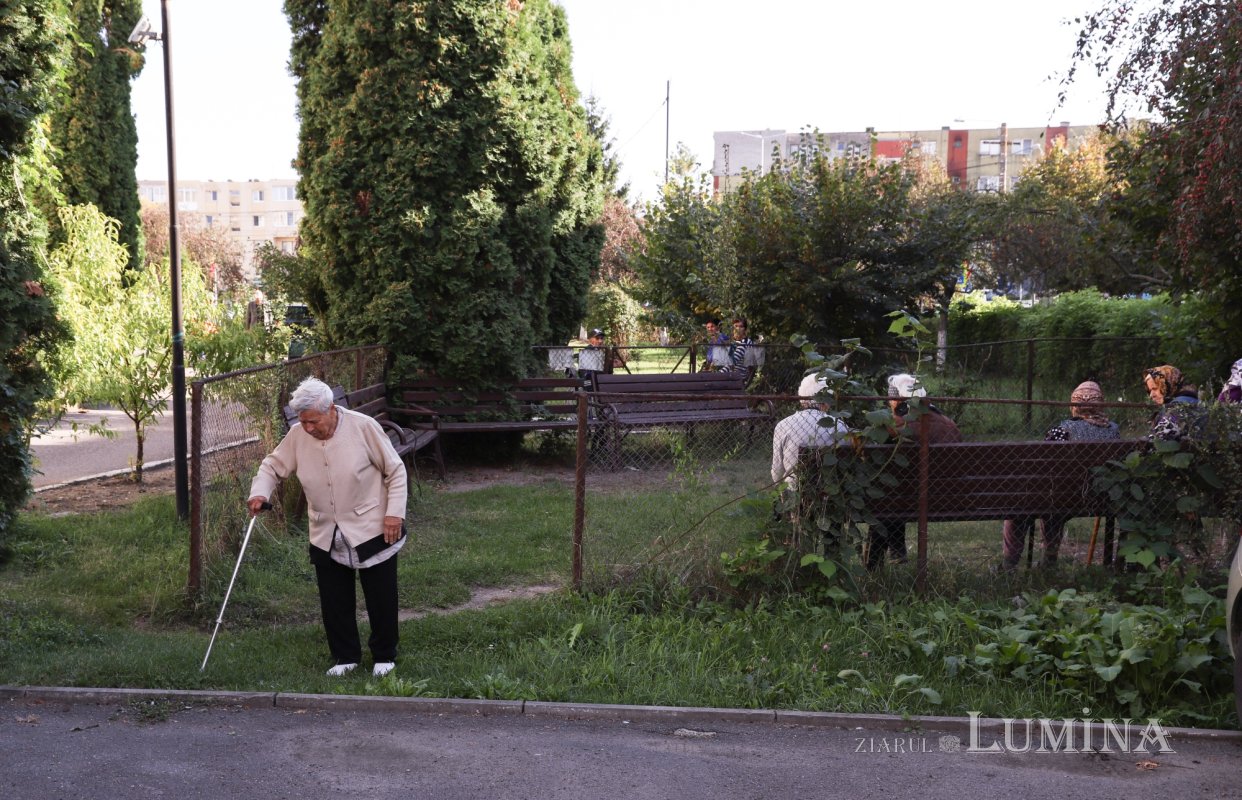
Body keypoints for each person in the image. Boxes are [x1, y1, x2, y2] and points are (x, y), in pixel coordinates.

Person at [247, 377, 408, 678]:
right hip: (325, 529)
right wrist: (260, 492)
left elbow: (395, 470)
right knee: (334, 596)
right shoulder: (298, 435)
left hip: (371, 523)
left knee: (380, 592)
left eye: (313, 421)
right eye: (303, 421)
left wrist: (394, 514)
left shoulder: (363, 427)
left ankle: (384, 655)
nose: (308, 428)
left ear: (331, 409)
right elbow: (272, 466)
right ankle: (345, 656)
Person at [1001, 380, 1120, 570]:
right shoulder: (1113, 431)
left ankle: (1009, 565)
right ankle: (1048, 561)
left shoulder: (1062, 430)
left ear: (1075, 405)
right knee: (1054, 510)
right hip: (1098, 498)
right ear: (1101, 404)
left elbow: (1042, 465)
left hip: (1061, 496)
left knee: (1023, 510)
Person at [866, 373, 962, 570]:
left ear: (897, 401)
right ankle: (897, 553)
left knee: (888, 495)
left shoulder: (894, 426)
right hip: (948, 498)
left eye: (890, 398)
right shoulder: (949, 424)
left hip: (905, 499)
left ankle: (873, 566)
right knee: (898, 490)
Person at [771, 373, 851, 491]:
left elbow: (777, 472)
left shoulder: (784, 425)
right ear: (827, 401)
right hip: (833, 492)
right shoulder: (840, 427)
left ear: (801, 399)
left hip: (794, 491)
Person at [1144, 364, 1200, 441]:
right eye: (1150, 391)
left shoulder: (1179, 406)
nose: (1151, 395)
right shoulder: (1190, 400)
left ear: (1168, 384)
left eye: (1155, 388)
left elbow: (1160, 439)